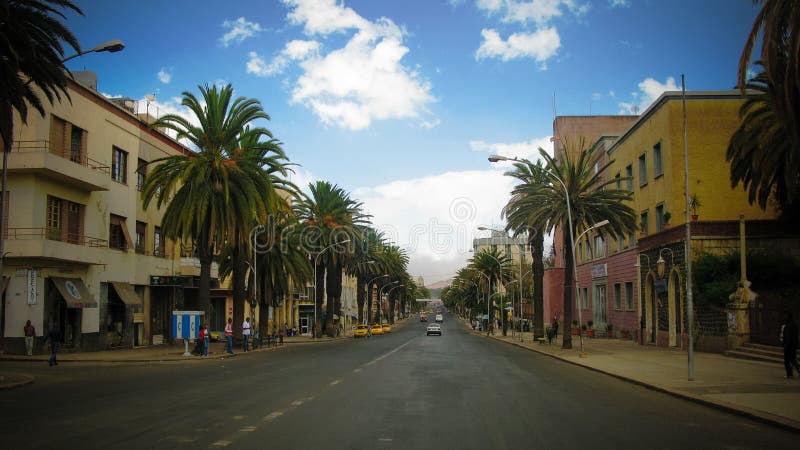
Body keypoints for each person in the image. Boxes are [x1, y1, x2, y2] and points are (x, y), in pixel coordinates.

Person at [780, 311, 799, 378]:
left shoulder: (788, 325)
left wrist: (785, 345)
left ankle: (789, 374)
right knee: (793, 359)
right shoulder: (794, 324)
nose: (784, 317)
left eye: (785, 315)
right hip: (793, 345)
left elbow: (788, 337)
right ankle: (797, 370)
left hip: (789, 345)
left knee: (787, 360)